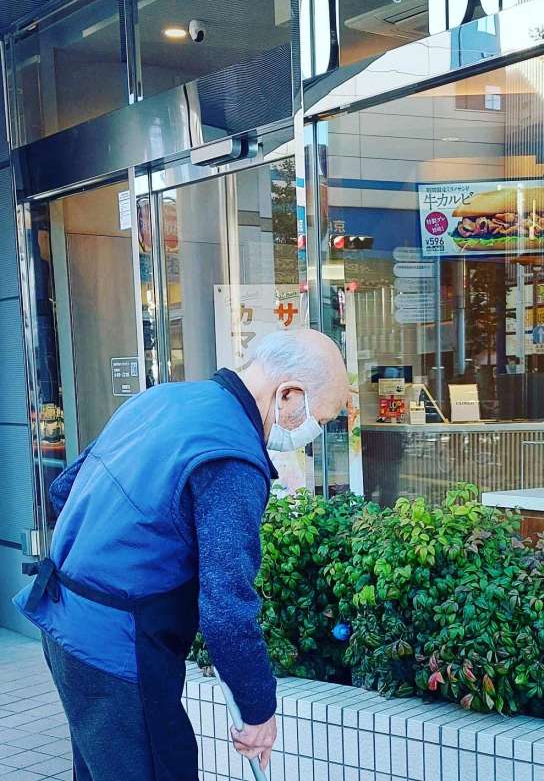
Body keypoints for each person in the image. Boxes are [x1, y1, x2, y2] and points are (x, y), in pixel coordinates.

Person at [13, 329, 349, 781]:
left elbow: (65, 489)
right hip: (119, 646)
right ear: (289, 394)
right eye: (319, 419)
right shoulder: (232, 457)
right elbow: (226, 607)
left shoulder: (161, 399)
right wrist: (257, 712)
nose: (313, 433)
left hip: (64, 623)